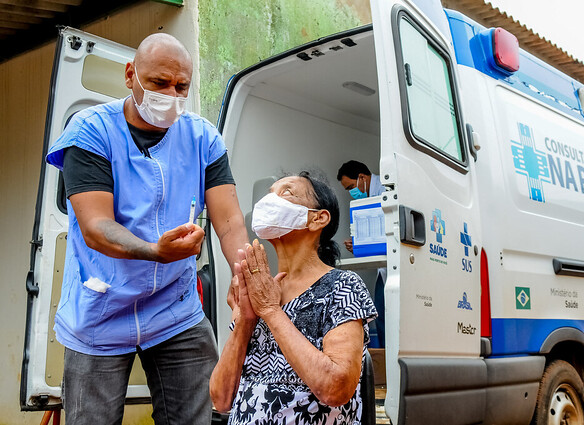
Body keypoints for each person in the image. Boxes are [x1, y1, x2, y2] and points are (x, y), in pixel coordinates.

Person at [45, 33, 248, 425]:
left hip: (176, 309)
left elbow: (230, 220)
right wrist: (156, 251)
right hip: (101, 310)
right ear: (130, 75)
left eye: (182, 86)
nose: (171, 94)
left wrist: (245, 274)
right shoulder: (91, 131)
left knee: (197, 418)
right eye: (159, 83)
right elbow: (96, 227)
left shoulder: (202, 137)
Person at [210, 172, 377, 425]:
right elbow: (220, 400)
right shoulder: (258, 291)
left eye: (286, 192)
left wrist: (271, 311)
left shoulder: (342, 286)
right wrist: (245, 319)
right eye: (269, 194)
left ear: (318, 219)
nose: (270, 201)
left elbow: (336, 388)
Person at [337, 160, 387, 347]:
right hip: (383, 269)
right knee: (380, 316)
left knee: (385, 317)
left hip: (393, 266)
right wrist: (358, 245)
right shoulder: (369, 197)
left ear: (362, 177)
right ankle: (383, 360)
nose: (352, 193)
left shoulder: (385, 189)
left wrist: (364, 244)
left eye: (351, 187)